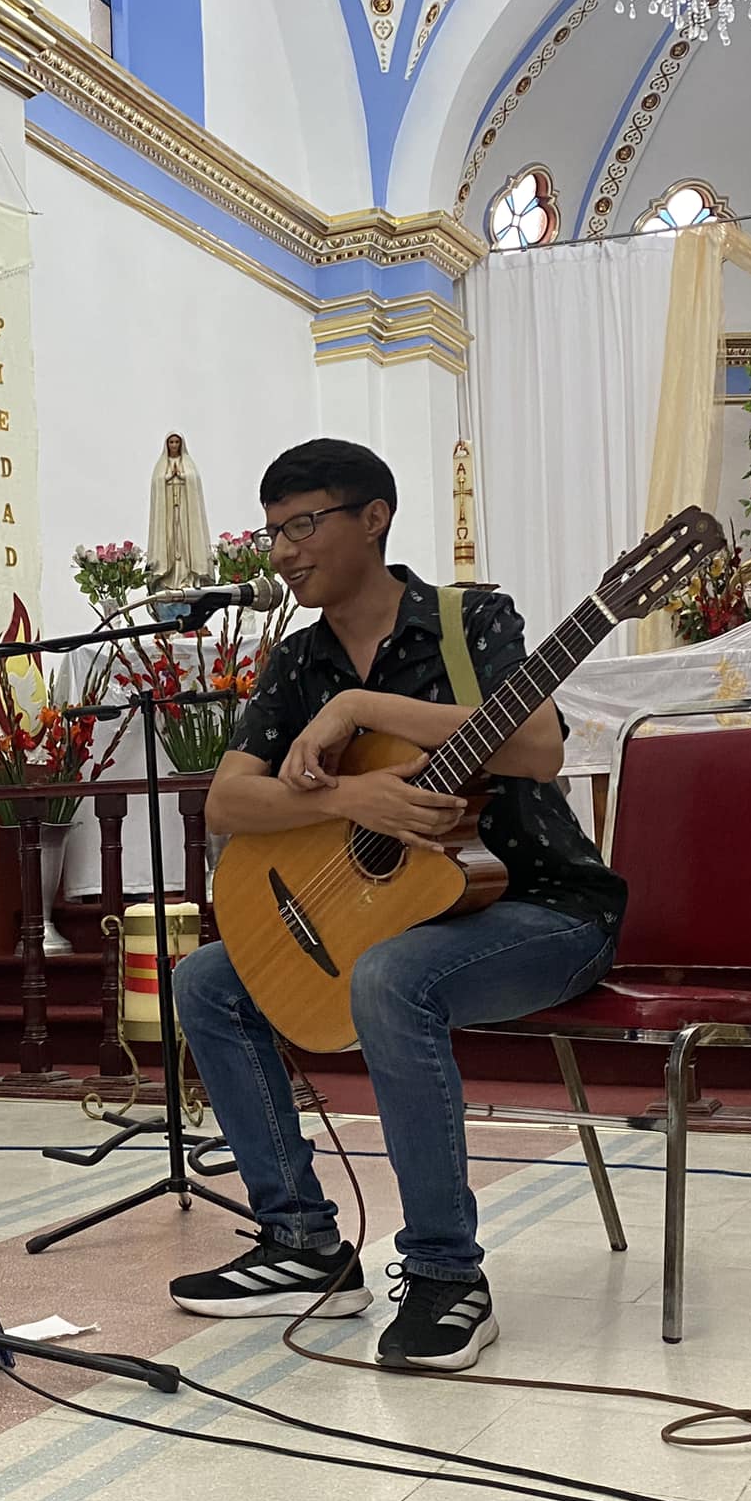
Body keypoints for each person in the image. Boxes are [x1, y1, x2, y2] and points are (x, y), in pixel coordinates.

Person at [167, 438, 625, 1371]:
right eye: (273, 532)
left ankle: (448, 1275)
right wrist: (348, 798)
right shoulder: (296, 664)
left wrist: (364, 710)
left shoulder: (469, 620)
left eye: (304, 524)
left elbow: (535, 746)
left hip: (544, 909)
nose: (285, 551)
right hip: (410, 914)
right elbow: (227, 802)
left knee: (389, 979)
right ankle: (303, 1246)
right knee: (208, 980)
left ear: (373, 518)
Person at [146, 431, 213, 592]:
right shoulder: (161, 465)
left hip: (185, 509)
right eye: (171, 442)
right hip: (168, 510)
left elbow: (193, 480)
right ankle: (169, 579)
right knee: (170, 539)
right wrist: (168, 477)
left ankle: (186, 578)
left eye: (177, 442)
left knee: (184, 541)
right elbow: (157, 482)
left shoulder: (188, 463)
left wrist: (182, 476)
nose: (174, 445)